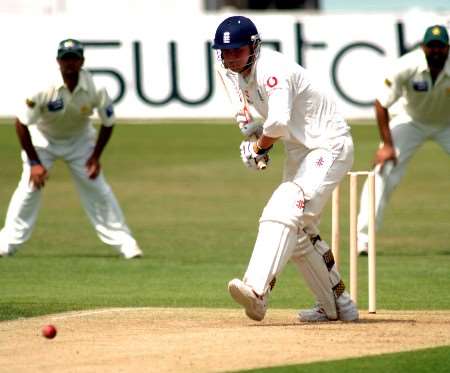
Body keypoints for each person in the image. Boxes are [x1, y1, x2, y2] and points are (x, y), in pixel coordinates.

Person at [212, 16, 358, 322]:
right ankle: (336, 306)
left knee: (284, 207)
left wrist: (259, 147)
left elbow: (277, 123)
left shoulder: (271, 70)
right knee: (299, 230)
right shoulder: (241, 78)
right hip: (299, 151)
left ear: (253, 47)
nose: (229, 58)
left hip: (327, 146)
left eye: (236, 51)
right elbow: (277, 124)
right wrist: (256, 132)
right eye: (224, 52)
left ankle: (257, 291)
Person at [0, 39, 142, 259]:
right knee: (29, 188)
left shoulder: (95, 88)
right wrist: (35, 163)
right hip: (43, 141)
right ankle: (6, 242)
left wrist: (95, 157)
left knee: (98, 189)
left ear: (82, 61)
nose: (69, 63)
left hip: (80, 142)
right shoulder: (43, 87)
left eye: (74, 58)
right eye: (65, 59)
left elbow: (108, 122)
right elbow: (21, 123)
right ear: (58, 61)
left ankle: (126, 243)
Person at [356, 25, 450, 255]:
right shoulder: (407, 66)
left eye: (441, 47)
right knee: (383, 169)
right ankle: (364, 239)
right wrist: (387, 146)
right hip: (411, 121)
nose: (436, 51)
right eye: (432, 46)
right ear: (423, 47)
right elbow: (381, 104)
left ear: (448, 48)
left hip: (447, 123)